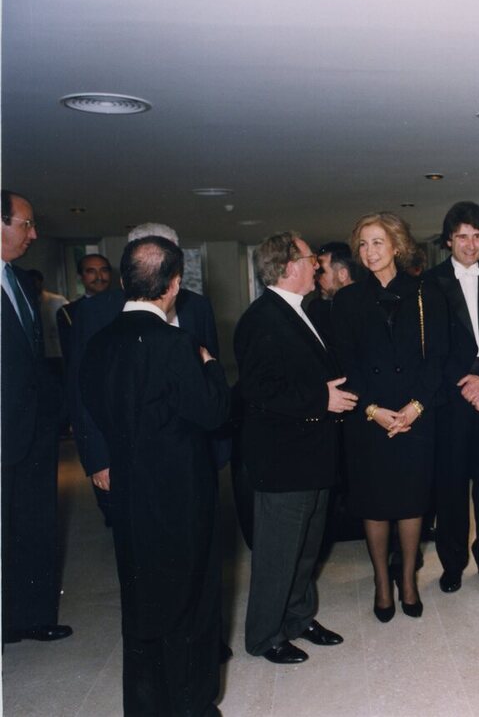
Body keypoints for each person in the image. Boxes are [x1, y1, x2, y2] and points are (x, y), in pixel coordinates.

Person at [80, 235, 230, 716]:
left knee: (142, 605)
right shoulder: (178, 344)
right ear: (173, 285)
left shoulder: (98, 344)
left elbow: (96, 408)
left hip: (129, 494)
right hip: (182, 495)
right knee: (192, 603)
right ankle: (193, 707)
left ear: (124, 281)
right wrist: (210, 368)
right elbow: (212, 414)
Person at [234, 231, 356, 663]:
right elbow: (259, 390)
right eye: (310, 260)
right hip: (284, 460)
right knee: (278, 554)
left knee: (306, 548)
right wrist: (320, 399)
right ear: (288, 267)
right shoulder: (260, 319)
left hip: (312, 455)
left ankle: (298, 618)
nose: (318, 267)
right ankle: (264, 636)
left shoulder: (300, 311)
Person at [330, 212, 446, 622]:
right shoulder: (345, 301)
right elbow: (345, 364)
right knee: (374, 504)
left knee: (412, 502)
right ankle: (382, 583)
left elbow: (438, 360)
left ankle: (408, 581)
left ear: (396, 246)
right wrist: (373, 411)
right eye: (363, 244)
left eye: (378, 242)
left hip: (415, 414)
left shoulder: (425, 293)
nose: (369, 251)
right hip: (370, 418)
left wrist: (416, 407)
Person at [67, 223, 222, 523]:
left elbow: (208, 380)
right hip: (125, 453)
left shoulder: (197, 307)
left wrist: (217, 449)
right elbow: (80, 388)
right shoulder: (95, 313)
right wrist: (98, 459)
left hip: (190, 453)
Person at [426, 202, 479, 593]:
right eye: (462, 236)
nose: (471, 244)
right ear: (449, 240)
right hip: (452, 398)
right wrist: (467, 383)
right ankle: (452, 563)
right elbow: (429, 348)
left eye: (477, 236)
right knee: (451, 486)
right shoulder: (428, 284)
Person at [1, 189, 72, 644]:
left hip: (33, 430)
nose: (33, 233)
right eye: (25, 224)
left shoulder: (21, 281)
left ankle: (31, 615)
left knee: (35, 524)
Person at [56, 253, 113, 366]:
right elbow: (70, 356)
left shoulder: (125, 305)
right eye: (91, 271)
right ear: (80, 277)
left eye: (104, 270)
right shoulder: (69, 312)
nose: (99, 277)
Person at [306, 241, 359, 348]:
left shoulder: (368, 307)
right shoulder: (316, 309)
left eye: (322, 271)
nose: (316, 277)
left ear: (342, 274)